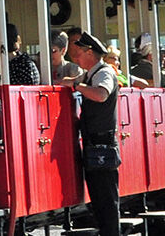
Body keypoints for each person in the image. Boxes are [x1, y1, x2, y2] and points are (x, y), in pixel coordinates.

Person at [58, 34, 121, 236]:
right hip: (96, 142)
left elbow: (101, 94)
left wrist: (77, 86)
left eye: (79, 53)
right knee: (99, 196)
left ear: (90, 52)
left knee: (106, 198)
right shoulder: (90, 73)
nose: (76, 58)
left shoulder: (103, 73)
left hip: (102, 141)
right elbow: (73, 81)